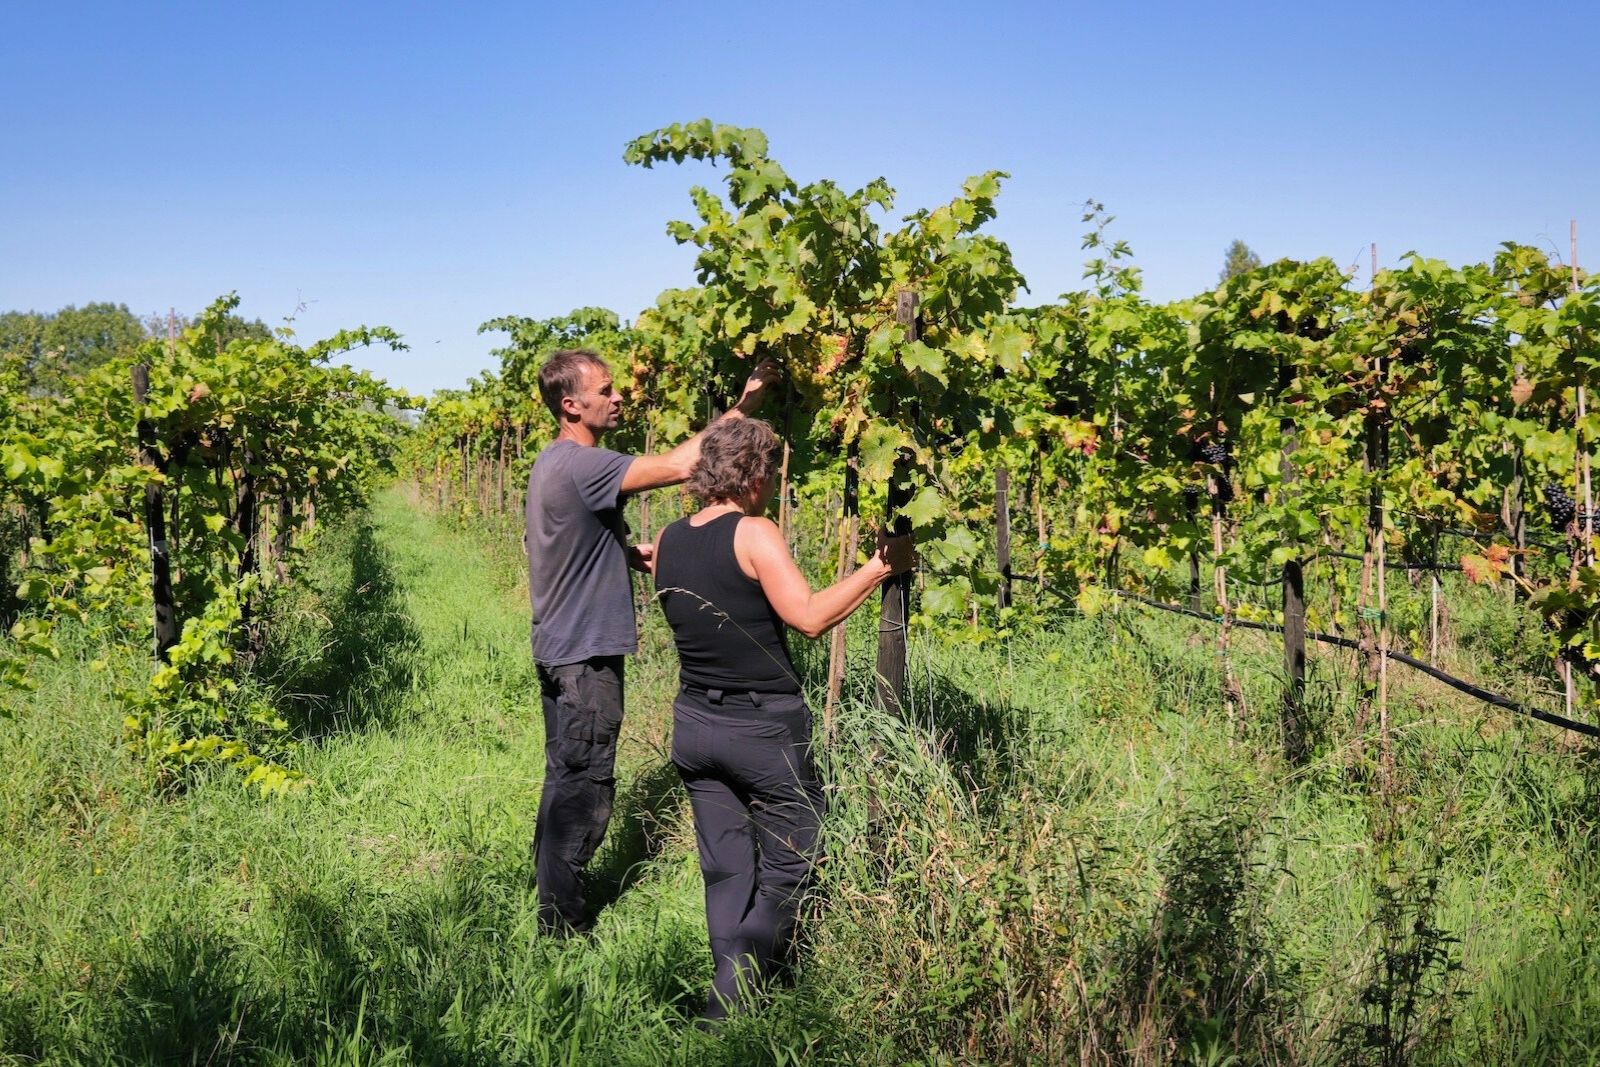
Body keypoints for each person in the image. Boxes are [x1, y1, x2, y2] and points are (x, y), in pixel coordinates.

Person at [651, 417, 915, 1019]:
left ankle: (728, 999)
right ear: (751, 474)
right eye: (770, 472)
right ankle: (734, 996)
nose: (773, 484)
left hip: (693, 722)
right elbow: (809, 616)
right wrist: (880, 567)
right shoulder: (754, 532)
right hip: (762, 726)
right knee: (796, 857)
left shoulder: (667, 537)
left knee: (724, 865)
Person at [526, 348, 778, 935]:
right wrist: (744, 406)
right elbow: (677, 465)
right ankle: (563, 926)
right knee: (585, 785)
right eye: (606, 391)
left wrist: (620, 553)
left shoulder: (552, 463)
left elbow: (569, 537)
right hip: (584, 655)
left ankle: (548, 897)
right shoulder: (585, 465)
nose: (618, 398)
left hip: (560, 644)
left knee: (564, 774)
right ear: (572, 405)